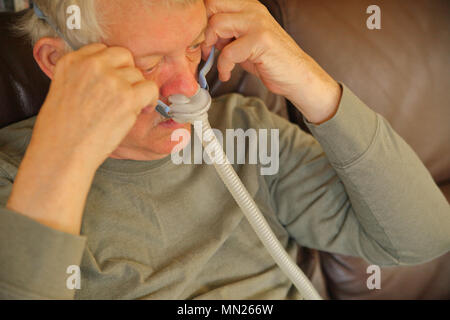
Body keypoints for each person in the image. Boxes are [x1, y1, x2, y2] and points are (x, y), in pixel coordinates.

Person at [0, 0, 448, 299]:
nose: (187, 88)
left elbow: (423, 238)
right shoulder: (14, 182)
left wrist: (312, 84)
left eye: (195, 48)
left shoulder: (244, 132)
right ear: (59, 63)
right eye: (149, 64)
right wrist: (64, 155)